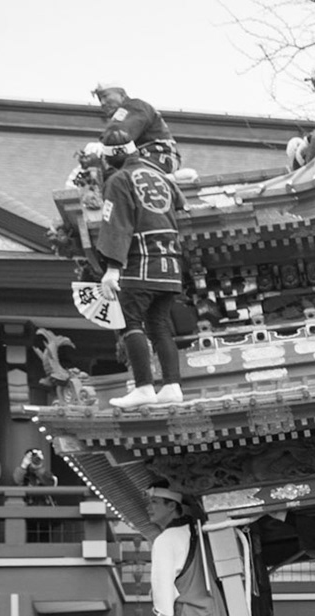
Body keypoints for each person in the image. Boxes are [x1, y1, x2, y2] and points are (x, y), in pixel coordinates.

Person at [92, 134, 187, 411]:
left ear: (110, 157)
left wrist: (111, 268)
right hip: (171, 262)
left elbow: (116, 225)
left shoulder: (119, 180)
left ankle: (144, 386)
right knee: (159, 324)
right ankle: (172, 386)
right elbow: (182, 204)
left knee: (130, 322)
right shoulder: (161, 175)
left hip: (141, 261)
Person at [147, 484, 231, 616]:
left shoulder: (165, 540)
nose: (149, 507)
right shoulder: (200, 532)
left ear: (171, 505)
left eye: (154, 502)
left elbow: (162, 588)